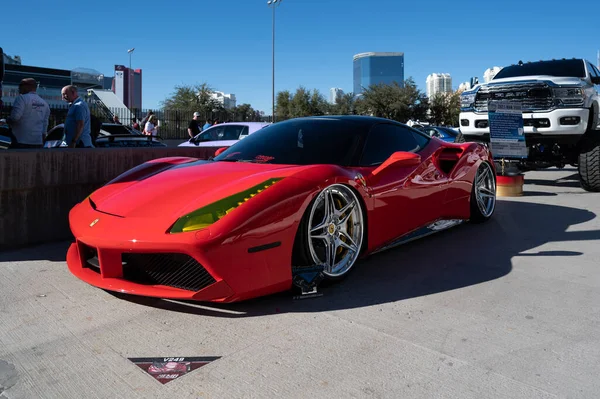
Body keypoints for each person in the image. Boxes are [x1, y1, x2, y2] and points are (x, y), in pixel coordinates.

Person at [7, 78, 50, 148]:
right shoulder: (44, 103)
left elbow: (15, 118)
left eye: (20, 85)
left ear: (27, 86)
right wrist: (42, 140)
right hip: (37, 142)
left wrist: (7, 120)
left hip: (20, 140)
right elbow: (45, 125)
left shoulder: (21, 98)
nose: (18, 87)